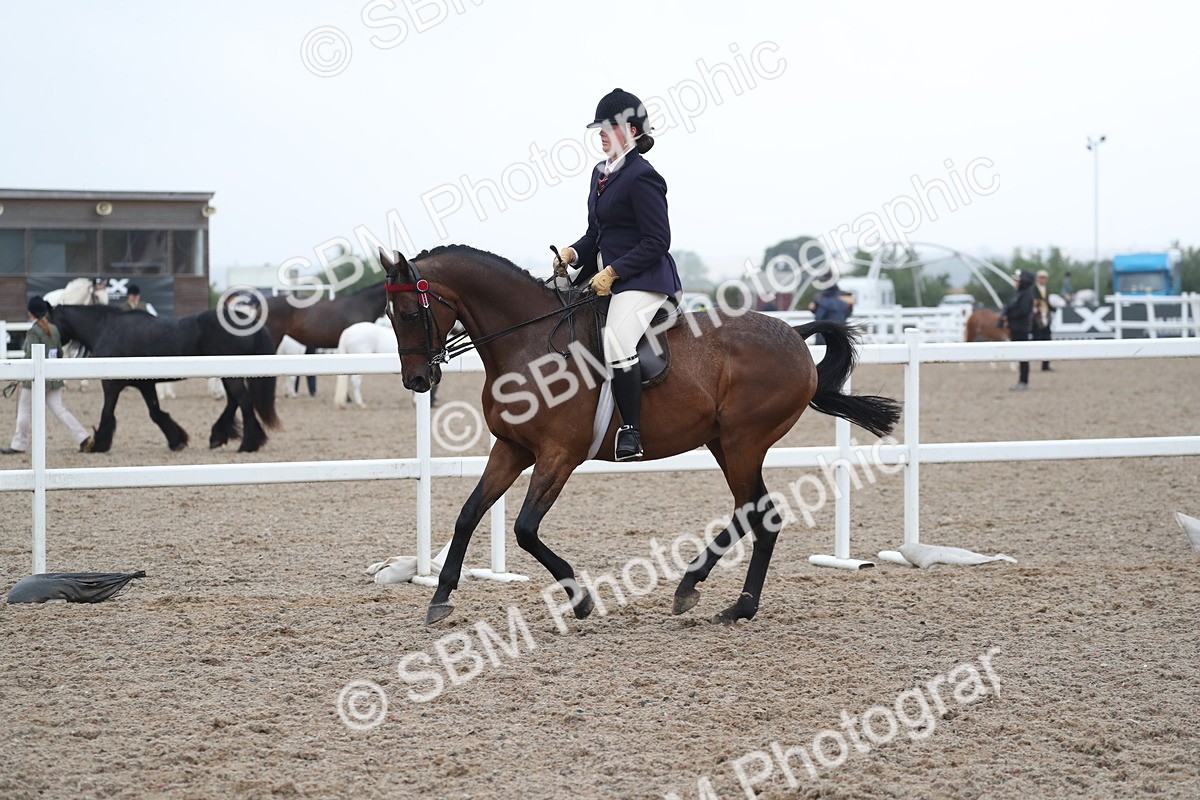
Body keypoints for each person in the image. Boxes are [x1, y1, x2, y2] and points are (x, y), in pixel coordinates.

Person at [552, 88, 682, 461]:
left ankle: (631, 431)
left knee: (618, 342)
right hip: (606, 279)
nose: (602, 133)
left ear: (633, 130)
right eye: (600, 127)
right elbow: (597, 234)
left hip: (646, 281)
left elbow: (658, 240)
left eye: (610, 127)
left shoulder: (643, 176)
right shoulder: (600, 173)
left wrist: (614, 271)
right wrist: (572, 253)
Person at [2, 296, 94, 454]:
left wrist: (19, 372)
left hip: (36, 378)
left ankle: (19, 444)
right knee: (60, 410)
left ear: (31, 313)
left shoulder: (34, 331)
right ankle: (83, 437)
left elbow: (30, 355)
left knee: (24, 409)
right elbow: (58, 352)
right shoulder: (54, 329)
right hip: (53, 378)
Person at [998, 270, 1034, 391]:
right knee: (1020, 356)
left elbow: (1023, 311)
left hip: (1021, 329)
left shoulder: (1026, 295)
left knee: (1023, 356)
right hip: (1015, 328)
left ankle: (1023, 381)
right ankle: (1022, 381)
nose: (1015, 282)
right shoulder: (1019, 294)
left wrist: (1009, 316)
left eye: (1017, 280)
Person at [808, 278, 854, 345]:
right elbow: (848, 314)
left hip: (824, 337)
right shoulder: (844, 303)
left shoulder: (822, 302)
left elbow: (818, 318)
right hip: (840, 336)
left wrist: (814, 309)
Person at [1031, 270, 1053, 372]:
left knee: (1047, 339)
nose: (1042, 280)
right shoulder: (1033, 290)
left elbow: (1047, 304)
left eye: (1044, 278)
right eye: (1041, 277)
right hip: (1036, 320)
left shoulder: (1047, 290)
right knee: (1035, 340)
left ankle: (1045, 364)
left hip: (1046, 319)